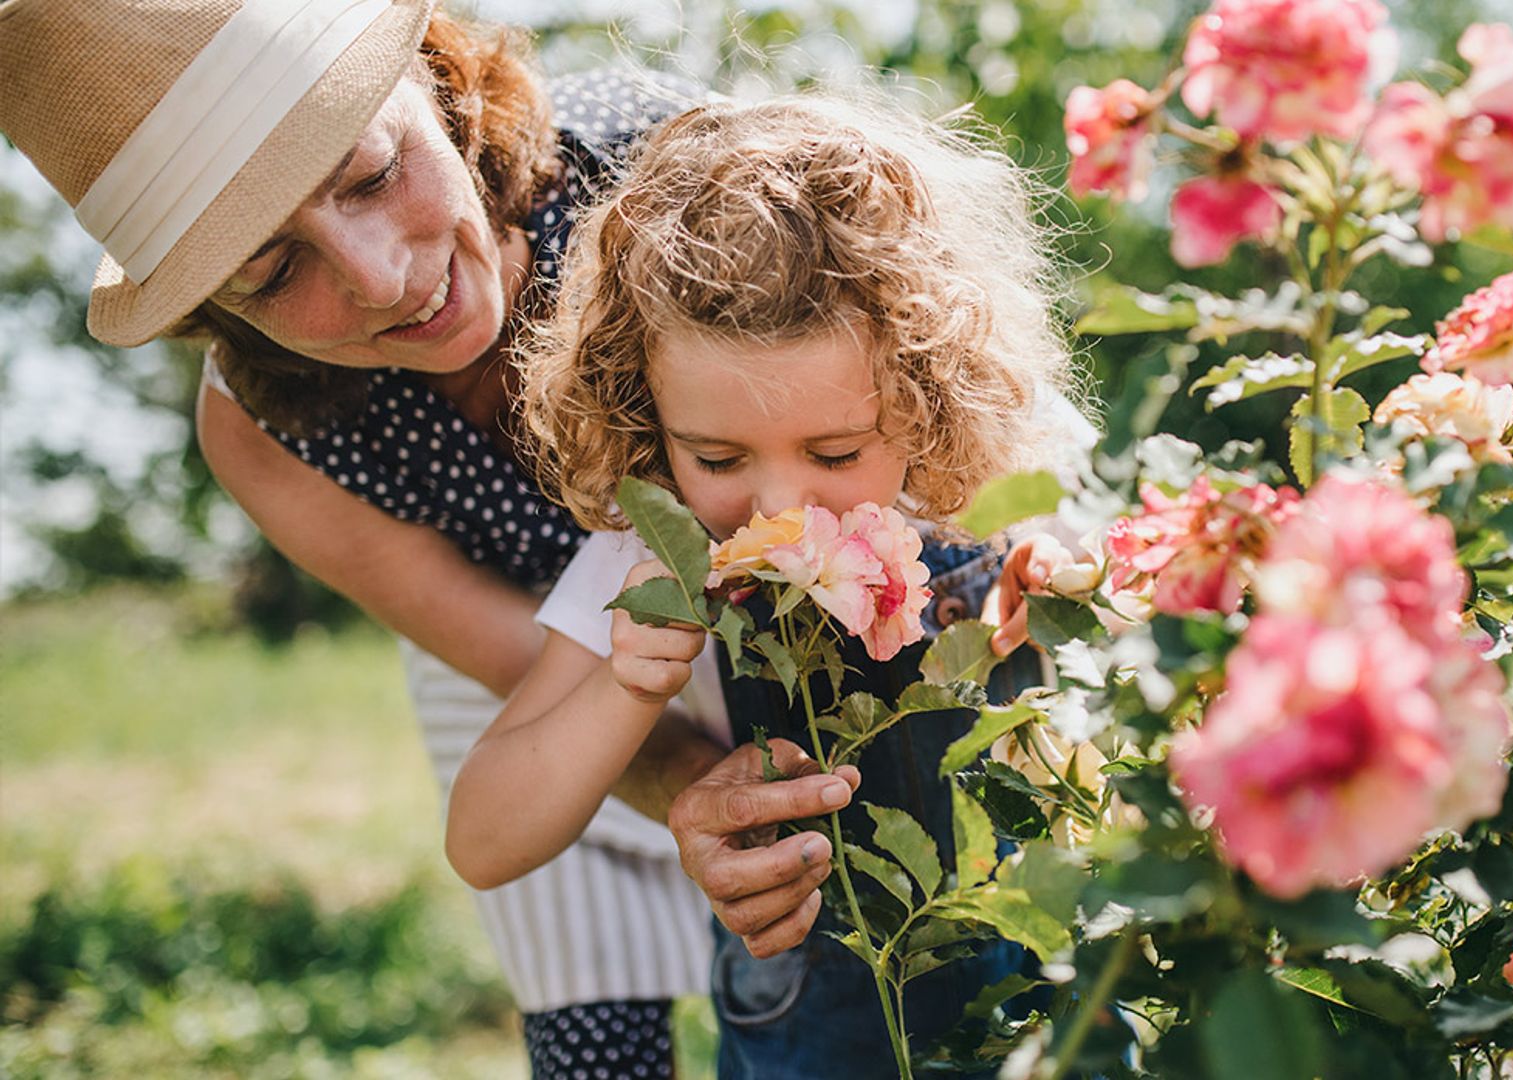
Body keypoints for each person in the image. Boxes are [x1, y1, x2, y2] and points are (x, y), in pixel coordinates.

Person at [0, 2, 788, 1075]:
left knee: (839, 972)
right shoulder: (262, 427)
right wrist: (701, 798)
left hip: (787, 582)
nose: (381, 277)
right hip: (536, 669)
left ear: (439, 82)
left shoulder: (669, 182)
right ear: (217, 315)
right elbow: (518, 661)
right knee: (594, 1042)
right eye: (272, 275)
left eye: (370, 175)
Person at [444, 94, 1092, 1076]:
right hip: (812, 1022)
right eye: (716, 456)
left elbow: (1148, 648)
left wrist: (1079, 600)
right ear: (646, 416)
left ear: (920, 397)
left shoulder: (991, 490)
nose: (778, 505)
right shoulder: (655, 553)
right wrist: (628, 686)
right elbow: (484, 837)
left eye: (835, 451)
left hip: (1041, 988)